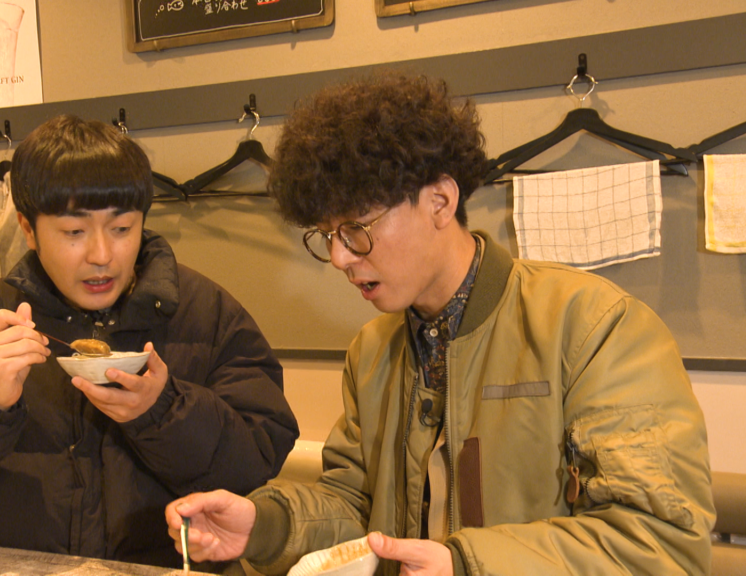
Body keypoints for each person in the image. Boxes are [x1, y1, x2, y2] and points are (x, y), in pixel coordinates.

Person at [165, 72, 715, 575]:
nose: (338, 257)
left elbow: (660, 543)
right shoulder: (372, 351)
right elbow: (355, 508)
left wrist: (466, 565)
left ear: (440, 201)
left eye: (356, 230)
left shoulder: (594, 328)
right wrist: (265, 526)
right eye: (327, 235)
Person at [0, 114, 299, 568]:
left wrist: (163, 411)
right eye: (74, 233)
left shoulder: (205, 312)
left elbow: (258, 460)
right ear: (28, 230)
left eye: (122, 229)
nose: (102, 255)